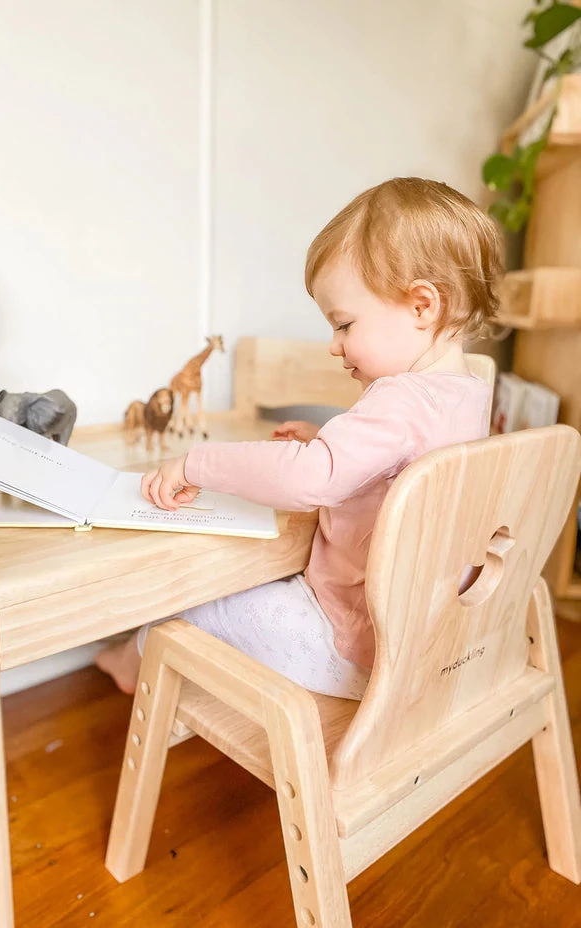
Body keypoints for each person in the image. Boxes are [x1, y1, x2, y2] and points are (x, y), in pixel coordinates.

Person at [96, 176, 502, 699]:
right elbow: (400, 462)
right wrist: (329, 437)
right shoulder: (468, 393)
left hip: (352, 642)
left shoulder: (399, 398)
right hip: (427, 644)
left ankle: (128, 665)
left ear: (422, 307)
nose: (334, 345)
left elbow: (312, 478)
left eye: (344, 324)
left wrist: (198, 463)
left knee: (182, 613)